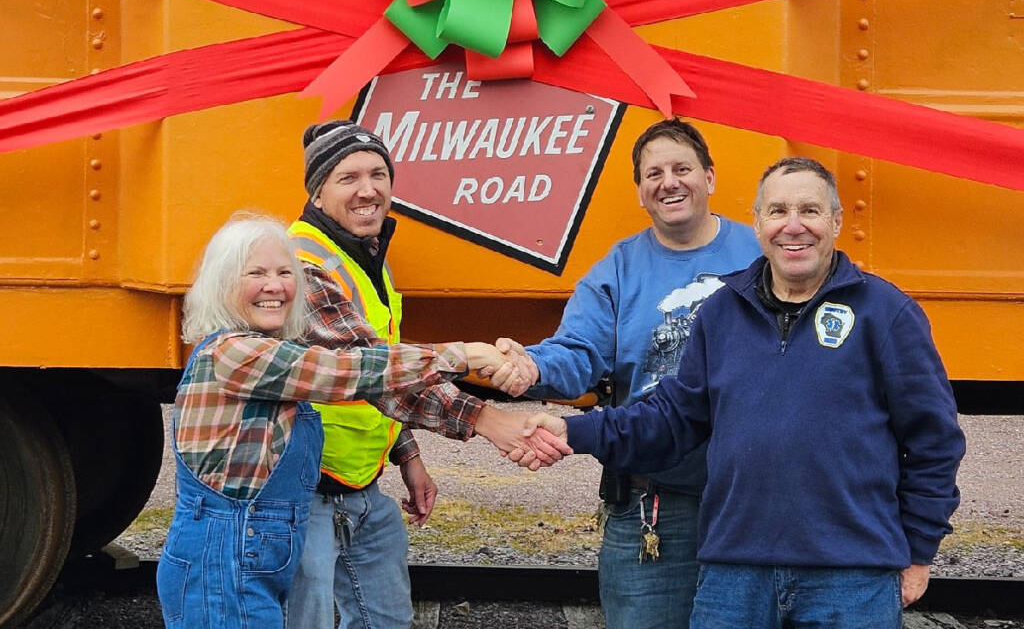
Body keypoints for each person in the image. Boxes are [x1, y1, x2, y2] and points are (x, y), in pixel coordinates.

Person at [527, 157, 967, 629]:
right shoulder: (721, 314)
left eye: (810, 211)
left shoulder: (887, 313)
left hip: (851, 576)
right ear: (757, 224)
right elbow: (672, 419)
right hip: (734, 576)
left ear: (837, 222)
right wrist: (574, 430)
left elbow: (934, 442)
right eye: (777, 211)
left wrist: (919, 551)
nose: (793, 226)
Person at [155, 214, 508, 629]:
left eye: (286, 272)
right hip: (219, 571)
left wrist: (407, 452)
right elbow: (346, 371)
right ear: (222, 284)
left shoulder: (269, 353)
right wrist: (463, 356)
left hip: (251, 565)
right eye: (256, 273)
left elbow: (364, 388)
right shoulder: (235, 355)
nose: (275, 285)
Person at [285, 121, 567, 629]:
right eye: (348, 177)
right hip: (302, 492)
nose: (368, 190)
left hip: (360, 486)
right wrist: (488, 417)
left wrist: (407, 455)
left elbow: (385, 366)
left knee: (387, 620)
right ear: (318, 192)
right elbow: (372, 370)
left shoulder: (363, 255)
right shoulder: (302, 266)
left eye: (378, 174)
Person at [490, 118, 762, 629]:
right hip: (654, 501)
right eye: (653, 173)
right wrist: (529, 365)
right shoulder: (618, 270)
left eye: (682, 168)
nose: (669, 181)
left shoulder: (761, 254)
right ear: (640, 192)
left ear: (710, 177)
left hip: (755, 500)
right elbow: (577, 354)